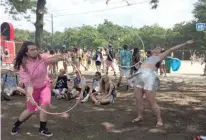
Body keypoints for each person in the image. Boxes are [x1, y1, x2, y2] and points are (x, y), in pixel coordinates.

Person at [128, 40, 194, 127]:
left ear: (160, 51)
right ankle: (139, 116)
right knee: (138, 100)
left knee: (151, 101)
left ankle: (159, 119)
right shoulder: (147, 58)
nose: (156, 48)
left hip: (149, 79)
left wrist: (185, 43)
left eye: (158, 48)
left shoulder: (159, 56)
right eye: (155, 48)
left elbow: (171, 49)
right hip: (139, 77)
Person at [11, 41, 70, 137]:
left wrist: (62, 57)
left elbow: (53, 58)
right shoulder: (24, 66)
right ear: (26, 52)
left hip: (44, 85)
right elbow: (28, 84)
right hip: (32, 88)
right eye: (32, 50)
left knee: (45, 104)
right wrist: (30, 96)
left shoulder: (41, 57)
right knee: (30, 110)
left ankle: (42, 128)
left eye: (36, 49)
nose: (35, 51)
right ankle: (17, 124)